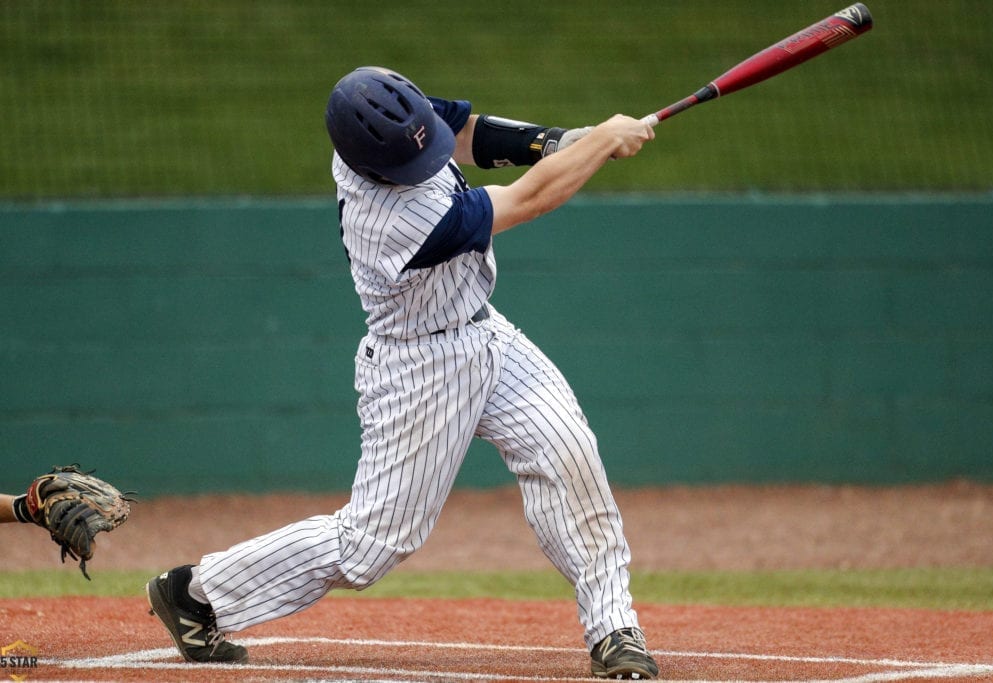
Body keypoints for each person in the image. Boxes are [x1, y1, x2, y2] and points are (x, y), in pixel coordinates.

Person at [145, 66, 658, 679]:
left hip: (485, 331)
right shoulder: (391, 221)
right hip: (420, 368)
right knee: (370, 547)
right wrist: (600, 142)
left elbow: (465, 132)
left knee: (569, 453)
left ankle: (614, 630)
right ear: (368, 166)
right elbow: (528, 198)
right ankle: (195, 594)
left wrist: (553, 140)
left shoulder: (389, 116)